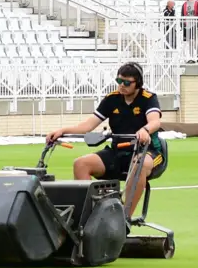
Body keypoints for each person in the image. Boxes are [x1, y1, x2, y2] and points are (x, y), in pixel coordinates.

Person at [46, 62, 164, 220]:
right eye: (119, 81)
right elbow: (88, 125)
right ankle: (89, 217)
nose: (122, 86)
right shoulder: (112, 99)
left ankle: (123, 220)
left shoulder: (148, 99)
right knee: (81, 164)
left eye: (127, 83)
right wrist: (62, 130)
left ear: (138, 83)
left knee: (139, 163)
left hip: (147, 151)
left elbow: (155, 122)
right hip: (118, 151)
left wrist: (145, 130)